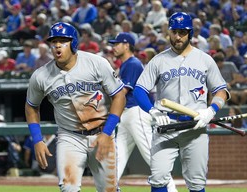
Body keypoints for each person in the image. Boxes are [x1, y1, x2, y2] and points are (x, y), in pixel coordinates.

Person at [133, 12, 230, 192]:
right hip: (166, 126)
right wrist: (153, 111)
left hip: (195, 126)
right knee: (158, 178)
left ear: (190, 33)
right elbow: (139, 90)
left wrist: (211, 110)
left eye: (182, 32)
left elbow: (221, 91)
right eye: (174, 32)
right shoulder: (158, 60)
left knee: (196, 182)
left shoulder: (205, 59)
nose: (177, 36)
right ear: (169, 32)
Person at [25, 22, 126, 191]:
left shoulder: (96, 63)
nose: (57, 45)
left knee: (108, 189)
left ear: (73, 43)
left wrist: (108, 131)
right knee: (68, 187)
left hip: (102, 132)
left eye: (63, 40)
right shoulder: (40, 76)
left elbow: (119, 95)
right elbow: (31, 107)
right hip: (69, 136)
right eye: (53, 41)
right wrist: (37, 140)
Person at [108, 32, 177, 192]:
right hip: (127, 114)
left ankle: (172, 190)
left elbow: (122, 92)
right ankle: (109, 188)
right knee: (117, 156)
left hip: (136, 112)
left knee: (152, 156)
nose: (114, 47)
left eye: (117, 43)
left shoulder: (132, 63)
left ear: (126, 45)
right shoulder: (125, 64)